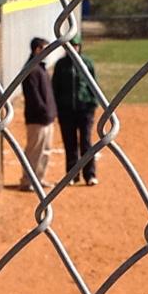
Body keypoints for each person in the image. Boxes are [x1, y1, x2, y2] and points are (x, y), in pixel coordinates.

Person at [52, 33, 100, 185]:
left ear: (79, 47)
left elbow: (94, 85)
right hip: (66, 110)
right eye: (70, 46)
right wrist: (57, 108)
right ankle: (72, 174)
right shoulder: (61, 65)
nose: (73, 48)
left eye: (76, 46)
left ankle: (90, 174)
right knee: (70, 143)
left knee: (86, 142)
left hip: (84, 109)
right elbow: (55, 88)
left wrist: (92, 104)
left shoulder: (87, 63)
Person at [19, 36, 56, 191]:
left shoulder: (41, 68)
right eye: (45, 48)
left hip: (47, 117)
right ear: (37, 50)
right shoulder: (31, 69)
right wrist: (44, 110)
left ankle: (39, 178)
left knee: (45, 150)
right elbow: (34, 96)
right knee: (34, 150)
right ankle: (28, 180)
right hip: (37, 118)